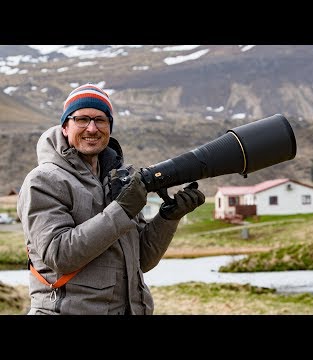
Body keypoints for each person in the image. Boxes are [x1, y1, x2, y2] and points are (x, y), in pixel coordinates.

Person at [17, 83, 205, 315]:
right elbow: (60, 254)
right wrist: (122, 210)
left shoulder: (119, 180)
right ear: (65, 126)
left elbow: (141, 260)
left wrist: (168, 217)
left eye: (101, 120)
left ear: (110, 127)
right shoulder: (44, 181)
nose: (92, 128)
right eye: (82, 119)